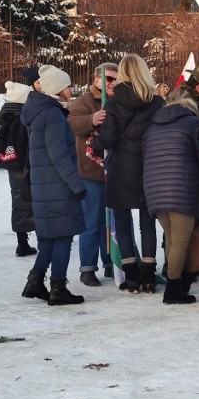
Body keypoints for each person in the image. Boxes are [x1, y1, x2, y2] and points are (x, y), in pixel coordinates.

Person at [91, 54, 164, 293]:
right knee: (148, 224)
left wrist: (97, 141)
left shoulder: (112, 103)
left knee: (123, 223)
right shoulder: (156, 102)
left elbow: (109, 138)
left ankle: (131, 276)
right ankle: (150, 276)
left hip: (120, 169)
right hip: (149, 168)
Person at [20, 65, 86, 306]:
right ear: (58, 89)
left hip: (43, 184)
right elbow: (60, 156)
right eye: (67, 86)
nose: (70, 90)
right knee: (63, 238)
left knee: (49, 237)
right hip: (57, 185)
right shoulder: (53, 115)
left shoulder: (38, 111)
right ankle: (58, 288)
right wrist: (76, 185)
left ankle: (35, 281)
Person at [144, 92, 199, 304]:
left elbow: (144, 156)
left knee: (172, 238)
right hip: (181, 188)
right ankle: (173, 289)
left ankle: (178, 283)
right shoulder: (194, 124)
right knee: (181, 242)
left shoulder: (151, 127)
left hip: (154, 189)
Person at [67, 62, 118, 287]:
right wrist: (91, 120)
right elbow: (72, 122)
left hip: (116, 172)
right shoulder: (83, 102)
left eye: (116, 79)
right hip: (90, 172)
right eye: (108, 78)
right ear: (96, 80)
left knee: (114, 222)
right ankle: (87, 267)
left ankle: (111, 262)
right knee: (92, 222)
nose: (112, 83)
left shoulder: (120, 101)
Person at [166, 64, 199, 277]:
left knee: (193, 216)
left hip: (191, 162)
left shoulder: (192, 98)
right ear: (196, 82)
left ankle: (193, 260)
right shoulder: (182, 100)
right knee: (186, 219)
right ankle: (184, 265)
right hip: (187, 164)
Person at [0, 81, 37, 257]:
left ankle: (22, 243)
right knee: (36, 202)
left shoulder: (8, 115)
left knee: (19, 202)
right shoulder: (24, 118)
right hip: (26, 166)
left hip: (13, 166)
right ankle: (43, 241)